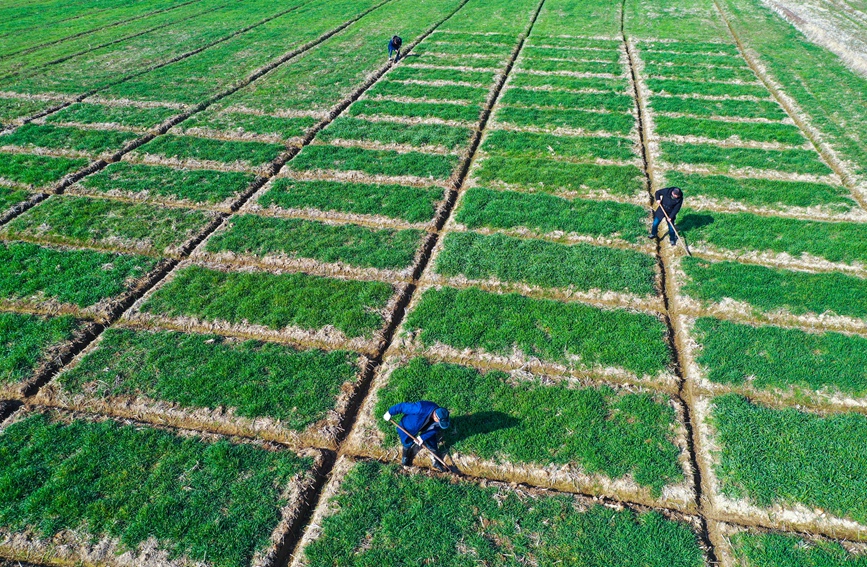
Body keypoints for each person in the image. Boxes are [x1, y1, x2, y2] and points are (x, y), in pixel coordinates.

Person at [383, 401, 450, 471]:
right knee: (406, 440)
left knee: (432, 440)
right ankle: (406, 456)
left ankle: (435, 461)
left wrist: (422, 437)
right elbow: (403, 407)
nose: (439, 424)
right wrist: (390, 412)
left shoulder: (442, 416)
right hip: (410, 425)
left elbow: (435, 429)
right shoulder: (420, 408)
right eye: (439, 422)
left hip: (426, 426)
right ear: (436, 416)